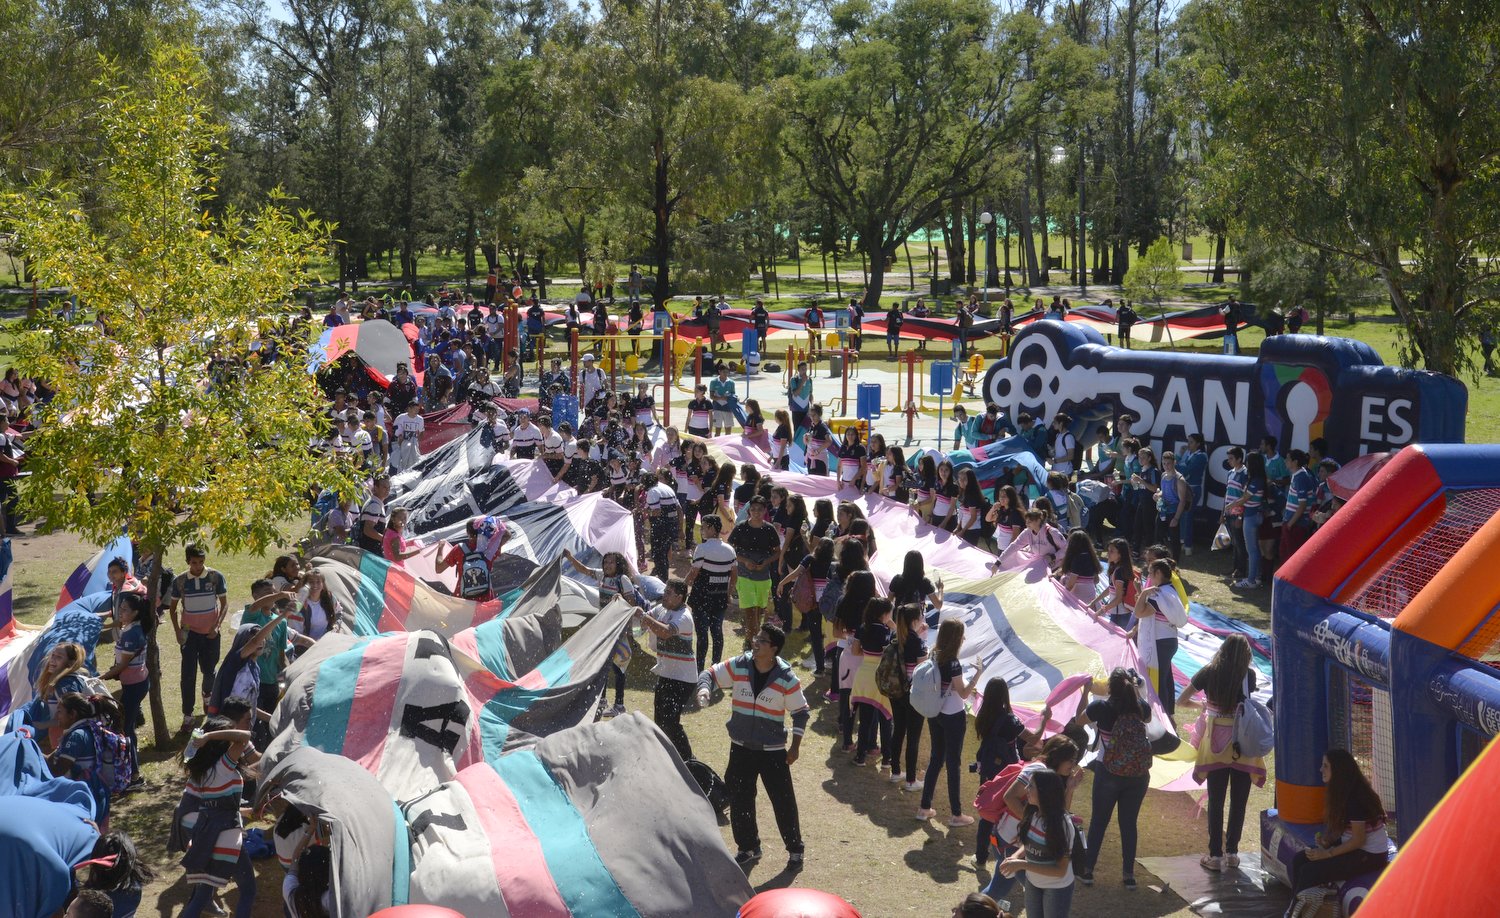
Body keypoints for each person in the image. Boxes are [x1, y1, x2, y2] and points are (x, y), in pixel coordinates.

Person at [697, 623, 809, 871]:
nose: (755, 642)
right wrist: (704, 690)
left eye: (762, 640)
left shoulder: (787, 678)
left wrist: (795, 747)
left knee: (783, 802)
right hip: (740, 748)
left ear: (774, 649)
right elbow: (710, 674)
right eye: (756, 637)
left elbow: (801, 713)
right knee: (740, 799)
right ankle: (748, 847)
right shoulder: (740, 665)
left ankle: (795, 850)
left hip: (773, 752)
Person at [1177, 634, 1266, 874]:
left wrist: (1203, 706)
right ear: (1246, 655)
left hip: (1214, 743)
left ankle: (1215, 855)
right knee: (1239, 801)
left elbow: (1181, 700)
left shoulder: (1209, 671)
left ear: (1222, 649)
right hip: (1243, 745)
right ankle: (1233, 854)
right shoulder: (1249, 676)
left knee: (1215, 802)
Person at [170, 714, 258, 918]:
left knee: (201, 897)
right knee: (248, 891)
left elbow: (214, 807)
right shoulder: (225, 765)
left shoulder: (198, 773)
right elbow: (245, 736)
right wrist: (210, 736)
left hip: (204, 839)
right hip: (227, 841)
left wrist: (249, 812)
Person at [1074, 668, 1153, 889]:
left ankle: (1088, 871)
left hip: (1108, 771)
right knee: (1128, 823)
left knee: (1099, 821)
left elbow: (1078, 721)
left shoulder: (1101, 707)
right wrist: (1136, 692)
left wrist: (1085, 692)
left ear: (1110, 688)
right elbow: (1148, 717)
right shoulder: (1141, 707)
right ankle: (1129, 875)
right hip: (1138, 776)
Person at [1286, 749, 1390, 909]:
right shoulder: (1342, 791)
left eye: (1325, 766)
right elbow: (1346, 829)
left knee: (1309, 871)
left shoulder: (1355, 797)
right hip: (1357, 848)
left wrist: (1326, 854)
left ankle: (1298, 910)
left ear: (1338, 770)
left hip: (1371, 854)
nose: (1321, 769)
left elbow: (1358, 840)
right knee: (1299, 860)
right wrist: (1328, 841)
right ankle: (1296, 907)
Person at [918, 618, 977, 827]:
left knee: (936, 758)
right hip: (953, 715)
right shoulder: (953, 663)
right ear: (956, 638)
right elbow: (962, 693)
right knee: (953, 763)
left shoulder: (934, 654)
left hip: (935, 712)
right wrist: (977, 675)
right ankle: (956, 813)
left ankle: (924, 807)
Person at [997, 769, 1077, 918]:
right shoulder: (1032, 813)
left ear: (1044, 792)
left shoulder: (1061, 825)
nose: (1026, 789)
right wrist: (1015, 856)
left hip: (1056, 888)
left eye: (1031, 786)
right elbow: (1029, 844)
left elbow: (1060, 870)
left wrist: (1021, 864)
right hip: (1033, 882)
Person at [972, 678, 1034, 870]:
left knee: (986, 812)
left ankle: (980, 856)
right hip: (1008, 774)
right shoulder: (1010, 720)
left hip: (988, 770)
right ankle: (1004, 855)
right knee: (1006, 813)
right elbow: (1034, 739)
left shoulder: (983, 716)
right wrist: (1046, 720)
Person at [634, 577, 697, 761]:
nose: (664, 595)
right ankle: (665, 756)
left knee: (671, 721)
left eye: (668, 593)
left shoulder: (684, 617)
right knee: (660, 719)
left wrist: (644, 617)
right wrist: (627, 608)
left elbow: (665, 632)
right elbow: (646, 617)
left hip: (683, 679)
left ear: (679, 597)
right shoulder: (662, 609)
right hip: (666, 674)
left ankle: (687, 759)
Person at [168, 545, 230, 731]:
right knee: (187, 674)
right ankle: (188, 715)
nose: (198, 566)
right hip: (189, 634)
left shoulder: (215, 577)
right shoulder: (179, 581)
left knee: (209, 669)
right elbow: (172, 608)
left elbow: (225, 603)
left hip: (211, 633)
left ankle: (207, 694)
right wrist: (178, 632)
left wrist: (217, 626)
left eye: (201, 562)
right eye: (194, 563)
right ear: (188, 562)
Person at [102, 592, 153, 779]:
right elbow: (117, 623)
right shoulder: (131, 626)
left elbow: (123, 665)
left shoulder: (132, 633)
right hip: (135, 681)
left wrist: (103, 677)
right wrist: (99, 621)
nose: (120, 612)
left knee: (126, 727)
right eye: (119, 608)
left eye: (124, 610)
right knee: (126, 725)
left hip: (134, 685)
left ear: (135, 613)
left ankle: (135, 775)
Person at [1131, 558, 1186, 717]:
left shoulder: (1158, 594)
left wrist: (1143, 593)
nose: (1149, 576)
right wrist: (1141, 591)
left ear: (1159, 573)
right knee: (1165, 678)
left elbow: (1139, 612)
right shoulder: (1170, 590)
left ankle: (1163, 716)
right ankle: (1168, 713)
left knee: (1159, 682)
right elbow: (1143, 607)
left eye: (1150, 573)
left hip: (1160, 642)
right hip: (1169, 640)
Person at [729, 496, 782, 649]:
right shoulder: (741, 527)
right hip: (745, 575)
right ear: (749, 510)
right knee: (750, 611)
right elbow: (730, 549)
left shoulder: (769, 529)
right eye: (753, 509)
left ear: (765, 511)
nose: (756, 513)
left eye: (759, 510)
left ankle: (751, 638)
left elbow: (777, 552)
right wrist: (744, 560)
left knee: (759, 612)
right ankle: (752, 643)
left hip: (763, 576)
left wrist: (765, 562)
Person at [849, 597, 895, 768]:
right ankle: (886, 759)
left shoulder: (863, 627)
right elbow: (888, 656)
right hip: (880, 677)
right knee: (885, 718)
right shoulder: (885, 632)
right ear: (884, 613)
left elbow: (855, 651)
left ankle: (860, 756)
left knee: (865, 720)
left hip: (864, 676)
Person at [688, 515, 737, 672]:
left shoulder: (702, 548)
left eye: (703, 527)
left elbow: (694, 573)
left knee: (702, 635)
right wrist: (728, 593)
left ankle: (699, 669)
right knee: (717, 632)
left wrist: (681, 587)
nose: (701, 530)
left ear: (711, 528)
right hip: (720, 597)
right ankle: (716, 668)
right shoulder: (730, 550)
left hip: (701, 597)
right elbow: (734, 576)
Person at [436, 516, 510, 601]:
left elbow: (439, 568)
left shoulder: (459, 549)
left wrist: (440, 548)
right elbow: (507, 535)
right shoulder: (489, 550)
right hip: (485, 601)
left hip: (462, 599)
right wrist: (493, 521)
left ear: (467, 533)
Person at [1089, 538, 1138, 629]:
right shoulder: (1116, 568)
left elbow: (1119, 598)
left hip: (1120, 615)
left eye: (1112, 551)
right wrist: (1094, 601)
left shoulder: (1120, 571)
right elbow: (1111, 588)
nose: (1108, 553)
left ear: (1120, 554)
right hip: (1117, 612)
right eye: (1108, 550)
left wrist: (1102, 610)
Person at [1281, 449, 1318, 561]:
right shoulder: (1297, 475)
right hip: (1291, 521)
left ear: (1295, 462)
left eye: (1288, 459)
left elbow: (1302, 505)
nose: (1285, 461)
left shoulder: (1301, 477)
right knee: (1284, 553)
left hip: (1296, 524)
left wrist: (1290, 524)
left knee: (1292, 558)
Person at [1156, 451, 1192, 561]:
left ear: (1174, 463)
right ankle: (1160, 559)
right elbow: (1164, 491)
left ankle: (1174, 562)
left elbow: (1182, 501)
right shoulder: (1163, 475)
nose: (1166, 466)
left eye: (1168, 463)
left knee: (1174, 539)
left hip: (1173, 512)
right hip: (1163, 510)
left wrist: (1176, 518)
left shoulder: (1179, 480)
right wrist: (1158, 495)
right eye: (1164, 463)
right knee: (1158, 535)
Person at [1176, 434, 1208, 554]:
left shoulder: (1201, 456)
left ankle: (1188, 545)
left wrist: (1179, 465)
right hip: (1183, 487)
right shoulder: (1188, 454)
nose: (1188, 444)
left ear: (1198, 444)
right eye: (1188, 441)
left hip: (1193, 490)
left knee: (1188, 516)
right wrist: (1179, 455)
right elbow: (1176, 467)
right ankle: (1183, 542)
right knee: (1182, 515)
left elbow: (1185, 470)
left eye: (1191, 442)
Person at [1053, 530, 1100, 605]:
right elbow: (1096, 580)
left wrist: (1061, 597)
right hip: (1091, 594)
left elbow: (1071, 584)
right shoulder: (1091, 556)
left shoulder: (1078, 558)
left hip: (1079, 596)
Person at [390, 401, 424, 473]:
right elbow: (395, 431)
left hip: (413, 443)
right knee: (400, 461)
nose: (417, 411)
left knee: (414, 460)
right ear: (409, 408)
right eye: (415, 409)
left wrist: (417, 442)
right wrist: (400, 439)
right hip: (401, 443)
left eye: (418, 410)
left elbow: (421, 431)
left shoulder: (420, 419)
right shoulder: (401, 417)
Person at [804, 405, 832, 477]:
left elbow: (829, 441)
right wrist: (805, 438)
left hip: (820, 460)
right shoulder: (812, 426)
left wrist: (817, 451)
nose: (812, 417)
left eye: (814, 415)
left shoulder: (822, 427)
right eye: (810, 415)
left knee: (821, 481)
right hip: (811, 458)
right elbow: (807, 443)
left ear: (819, 414)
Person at [709, 364, 736, 436]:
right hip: (717, 408)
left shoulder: (731, 382)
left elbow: (733, 395)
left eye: (727, 372)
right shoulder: (713, 382)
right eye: (724, 372)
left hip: (728, 408)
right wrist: (720, 398)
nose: (726, 374)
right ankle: (717, 445)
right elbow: (711, 396)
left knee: (728, 431)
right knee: (717, 431)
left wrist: (732, 398)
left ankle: (727, 446)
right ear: (719, 372)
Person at [788, 361, 813, 432]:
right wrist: (802, 382)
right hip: (796, 410)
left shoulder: (810, 380)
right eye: (802, 369)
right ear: (798, 370)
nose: (804, 371)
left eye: (805, 369)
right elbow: (795, 393)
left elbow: (810, 393)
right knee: (797, 430)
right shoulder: (794, 379)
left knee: (806, 431)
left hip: (806, 410)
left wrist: (812, 405)